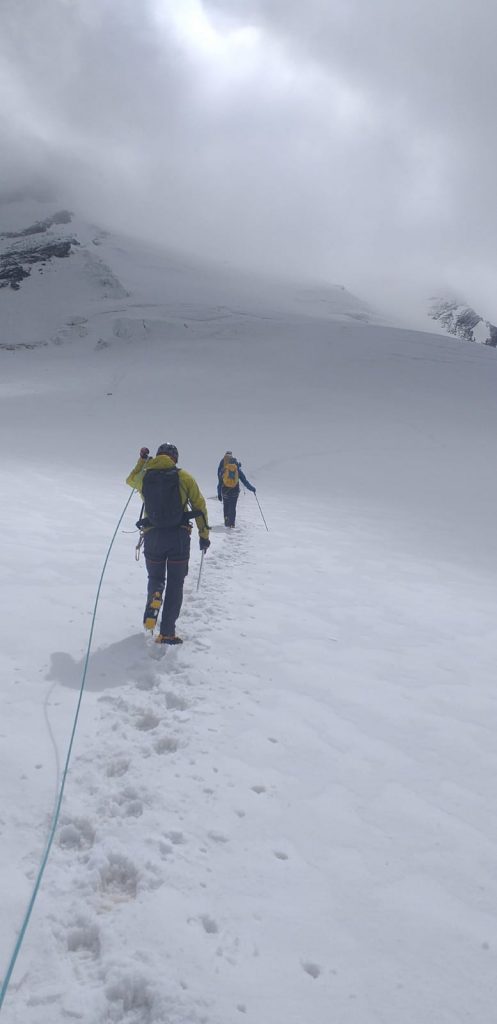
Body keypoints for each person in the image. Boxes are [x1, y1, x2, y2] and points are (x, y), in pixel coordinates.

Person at [126, 442, 210, 644]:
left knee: (155, 578)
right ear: (175, 458)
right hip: (178, 538)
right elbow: (199, 505)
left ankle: (154, 599)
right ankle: (167, 632)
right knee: (175, 583)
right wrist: (204, 535)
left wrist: (142, 462)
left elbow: (130, 480)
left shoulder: (146, 476)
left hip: (153, 536)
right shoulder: (184, 477)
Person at [217, 450, 256, 528]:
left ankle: (226, 521)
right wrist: (252, 489)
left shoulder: (224, 469)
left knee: (226, 506)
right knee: (232, 507)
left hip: (225, 491)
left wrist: (219, 494)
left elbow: (220, 482)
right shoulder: (237, 469)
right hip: (234, 491)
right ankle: (232, 523)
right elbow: (245, 481)